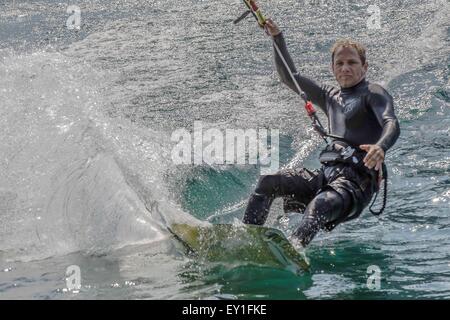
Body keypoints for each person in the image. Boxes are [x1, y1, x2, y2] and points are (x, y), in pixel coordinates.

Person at [242, 19, 400, 247]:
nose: (345, 68)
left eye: (352, 63)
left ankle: (293, 251)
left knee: (320, 205)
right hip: (326, 176)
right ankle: (248, 241)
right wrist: (277, 38)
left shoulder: (373, 93)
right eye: (340, 63)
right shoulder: (329, 96)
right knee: (268, 182)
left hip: (356, 184)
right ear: (332, 68)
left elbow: (390, 121)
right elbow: (290, 77)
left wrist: (381, 146)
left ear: (364, 67)